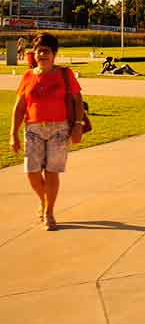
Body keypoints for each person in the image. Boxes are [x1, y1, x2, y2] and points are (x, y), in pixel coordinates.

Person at [9, 32, 85, 230]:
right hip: (33, 128)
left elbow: (78, 101)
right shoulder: (27, 76)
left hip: (59, 129)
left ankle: (49, 212)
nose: (42, 55)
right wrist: (13, 134)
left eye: (46, 51)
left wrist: (77, 125)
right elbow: (19, 106)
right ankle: (44, 201)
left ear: (54, 54)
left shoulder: (64, 74)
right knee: (32, 172)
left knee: (52, 172)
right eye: (39, 51)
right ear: (33, 54)